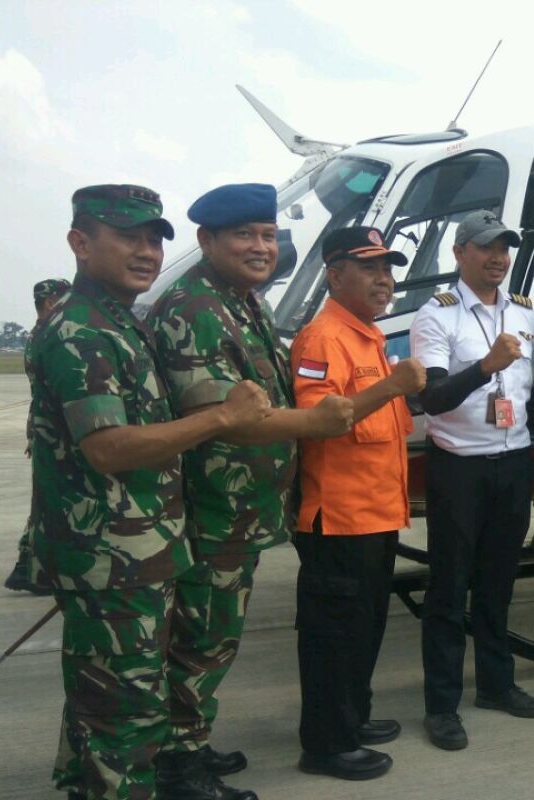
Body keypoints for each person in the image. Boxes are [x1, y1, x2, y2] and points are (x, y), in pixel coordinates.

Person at [30, 184, 270, 800]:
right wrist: (221, 419)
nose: (145, 252)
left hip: (137, 551)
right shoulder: (81, 332)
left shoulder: (117, 321)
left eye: (152, 239)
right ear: (80, 244)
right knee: (126, 717)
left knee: (110, 708)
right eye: (127, 237)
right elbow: (108, 447)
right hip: (110, 559)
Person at [148, 183, 353, 797]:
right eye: (243, 235)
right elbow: (229, 415)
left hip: (241, 510)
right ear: (206, 241)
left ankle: (191, 742)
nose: (260, 247)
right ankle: (176, 766)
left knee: (214, 637)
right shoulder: (193, 309)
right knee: (198, 639)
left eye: (267, 235)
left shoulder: (244, 303)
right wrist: (317, 423)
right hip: (210, 509)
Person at [291, 226, 427, 778]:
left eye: (388, 269)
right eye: (370, 268)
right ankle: (325, 744)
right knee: (333, 637)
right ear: (335, 274)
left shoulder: (366, 336)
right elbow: (318, 424)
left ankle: (352, 717)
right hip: (339, 521)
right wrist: (391, 388)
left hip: (374, 516)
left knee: (365, 628)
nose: (384, 280)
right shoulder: (324, 338)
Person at [409, 210, 534, 751]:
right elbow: (432, 397)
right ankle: (441, 704)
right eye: (487, 247)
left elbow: (533, 387)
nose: (498, 258)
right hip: (459, 465)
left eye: (505, 248)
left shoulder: (525, 313)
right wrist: (486, 366)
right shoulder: (436, 316)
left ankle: (495, 684)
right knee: (449, 588)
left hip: (514, 460)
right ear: (460, 252)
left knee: (498, 582)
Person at [4, 277, 71, 594]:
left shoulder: (39, 335)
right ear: (49, 303)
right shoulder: (47, 335)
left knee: (46, 501)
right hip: (50, 431)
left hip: (44, 427)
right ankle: (27, 567)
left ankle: (30, 566)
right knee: (46, 502)